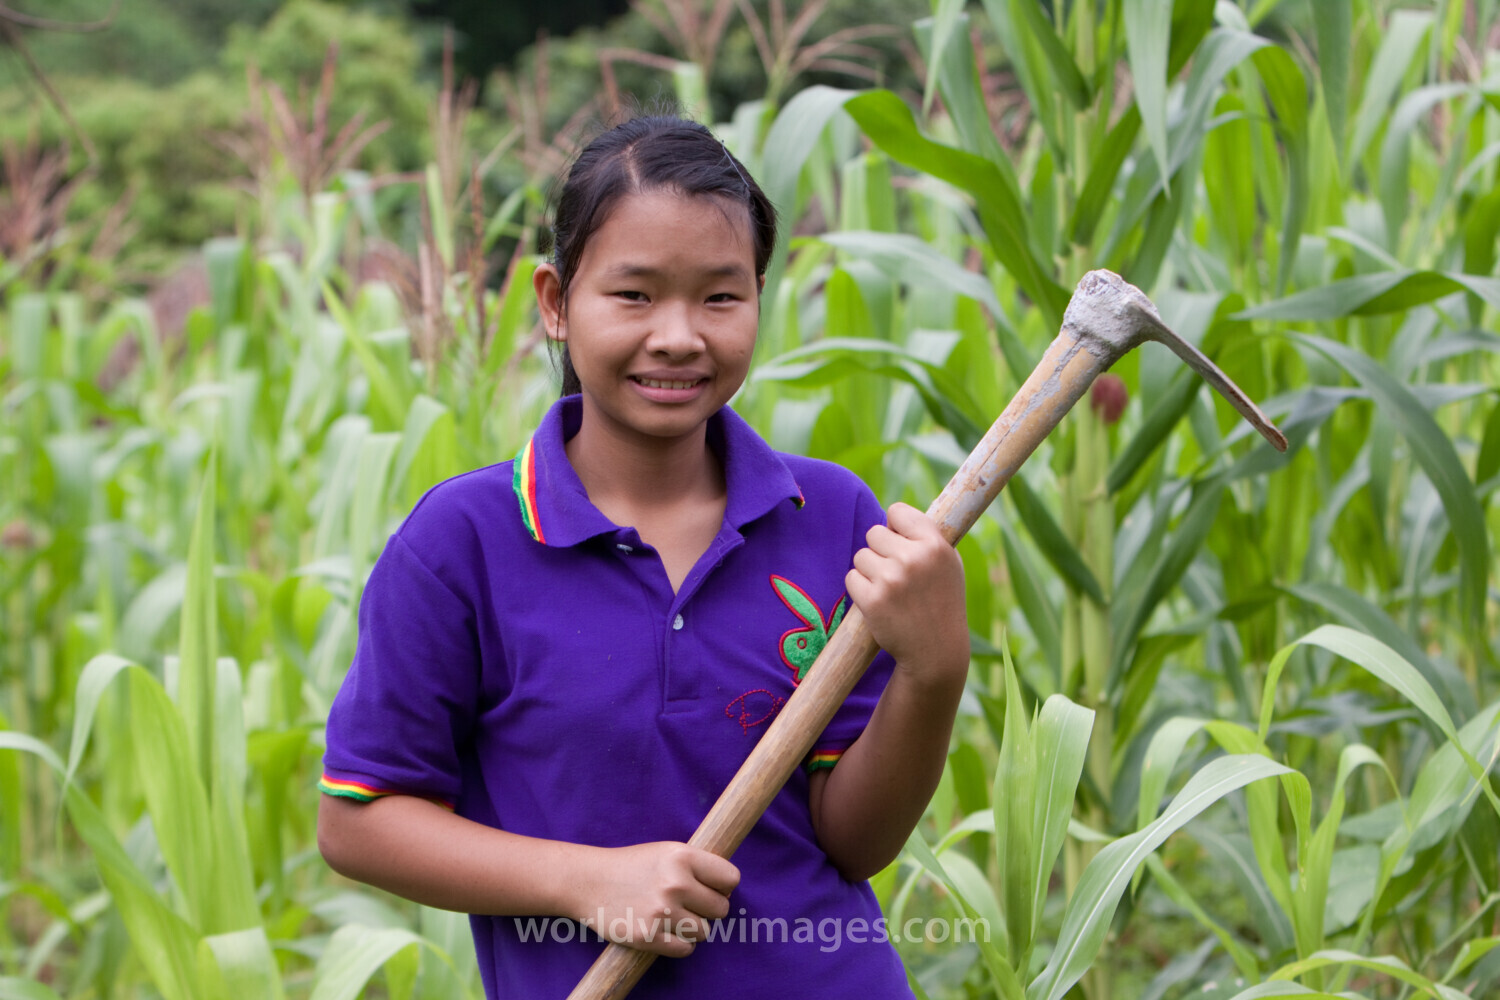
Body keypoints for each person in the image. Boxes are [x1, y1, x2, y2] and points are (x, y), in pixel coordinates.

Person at [317, 113, 970, 999]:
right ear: (555, 302)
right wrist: (584, 881)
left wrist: (934, 672)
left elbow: (854, 843)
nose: (678, 335)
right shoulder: (463, 542)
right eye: (634, 295)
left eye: (720, 296)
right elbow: (360, 822)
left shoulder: (830, 518)